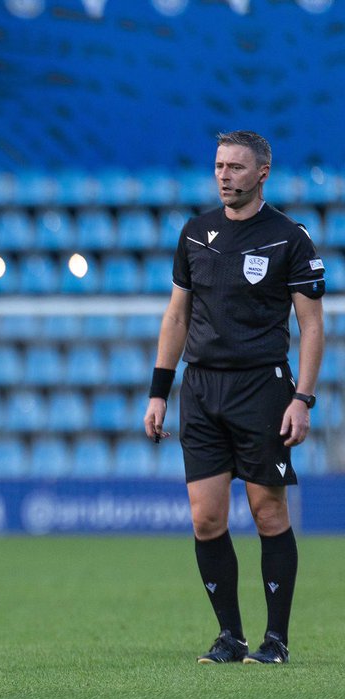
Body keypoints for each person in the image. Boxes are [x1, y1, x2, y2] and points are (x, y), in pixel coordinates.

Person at [144, 130, 325, 665]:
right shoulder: (196, 233)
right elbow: (177, 315)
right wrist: (159, 392)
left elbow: (312, 326)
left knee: (268, 511)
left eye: (237, 167)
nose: (225, 175)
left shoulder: (289, 238)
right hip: (200, 390)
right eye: (219, 166)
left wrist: (303, 399)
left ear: (262, 172)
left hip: (261, 388)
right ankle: (230, 637)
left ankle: (276, 640)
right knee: (205, 519)